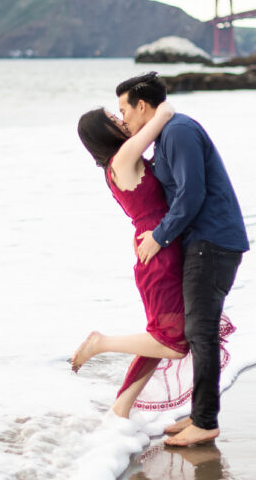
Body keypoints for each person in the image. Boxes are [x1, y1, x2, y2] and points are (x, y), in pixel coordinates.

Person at [116, 72, 249, 448]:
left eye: (124, 109)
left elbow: (191, 195)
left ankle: (205, 421)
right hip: (205, 242)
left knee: (200, 333)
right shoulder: (167, 135)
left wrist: (158, 238)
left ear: (143, 106)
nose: (123, 117)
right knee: (196, 332)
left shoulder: (178, 132)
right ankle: (200, 412)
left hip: (212, 243)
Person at [71, 98, 189, 418]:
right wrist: (144, 103)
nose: (122, 121)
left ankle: (122, 407)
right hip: (156, 249)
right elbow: (165, 113)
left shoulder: (119, 163)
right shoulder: (123, 157)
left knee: (161, 333)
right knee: (174, 343)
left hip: (159, 243)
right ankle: (101, 343)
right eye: (114, 117)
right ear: (103, 131)